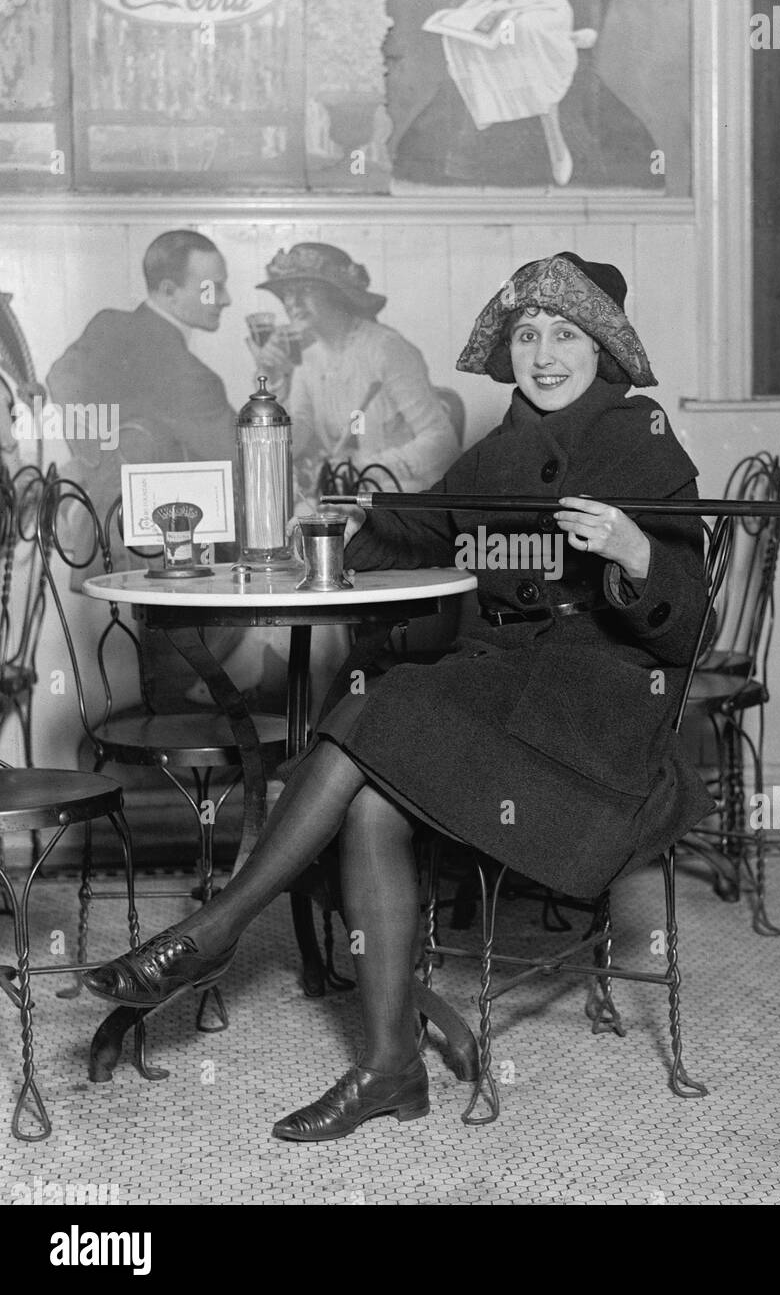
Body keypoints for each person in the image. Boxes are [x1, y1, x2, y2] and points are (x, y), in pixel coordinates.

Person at [84, 251, 716, 1143]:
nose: (542, 353)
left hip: (596, 720)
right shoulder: (503, 447)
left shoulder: (640, 438)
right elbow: (425, 524)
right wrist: (353, 518)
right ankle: (390, 1068)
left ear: (603, 350)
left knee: (370, 719)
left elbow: (688, 628)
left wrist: (635, 553)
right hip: (505, 692)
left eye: (564, 335)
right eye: (527, 334)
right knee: (372, 800)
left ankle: (217, 928)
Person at [47, 229, 236, 578]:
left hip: (93, 532)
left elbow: (61, 377)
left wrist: (94, 456)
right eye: (213, 287)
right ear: (168, 291)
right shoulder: (191, 377)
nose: (225, 300)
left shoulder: (108, 325)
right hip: (154, 553)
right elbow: (242, 458)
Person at [249, 243, 459, 495]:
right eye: (286, 293)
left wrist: (363, 470)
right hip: (344, 497)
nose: (291, 302)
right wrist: (271, 383)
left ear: (336, 293)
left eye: (304, 290)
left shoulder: (385, 348)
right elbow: (294, 442)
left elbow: (442, 442)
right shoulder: (308, 359)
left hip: (404, 496)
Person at [422, 0, 593, 186]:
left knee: (524, 31)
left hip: (542, 0)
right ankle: (494, 105)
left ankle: (555, 139)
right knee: (462, 35)